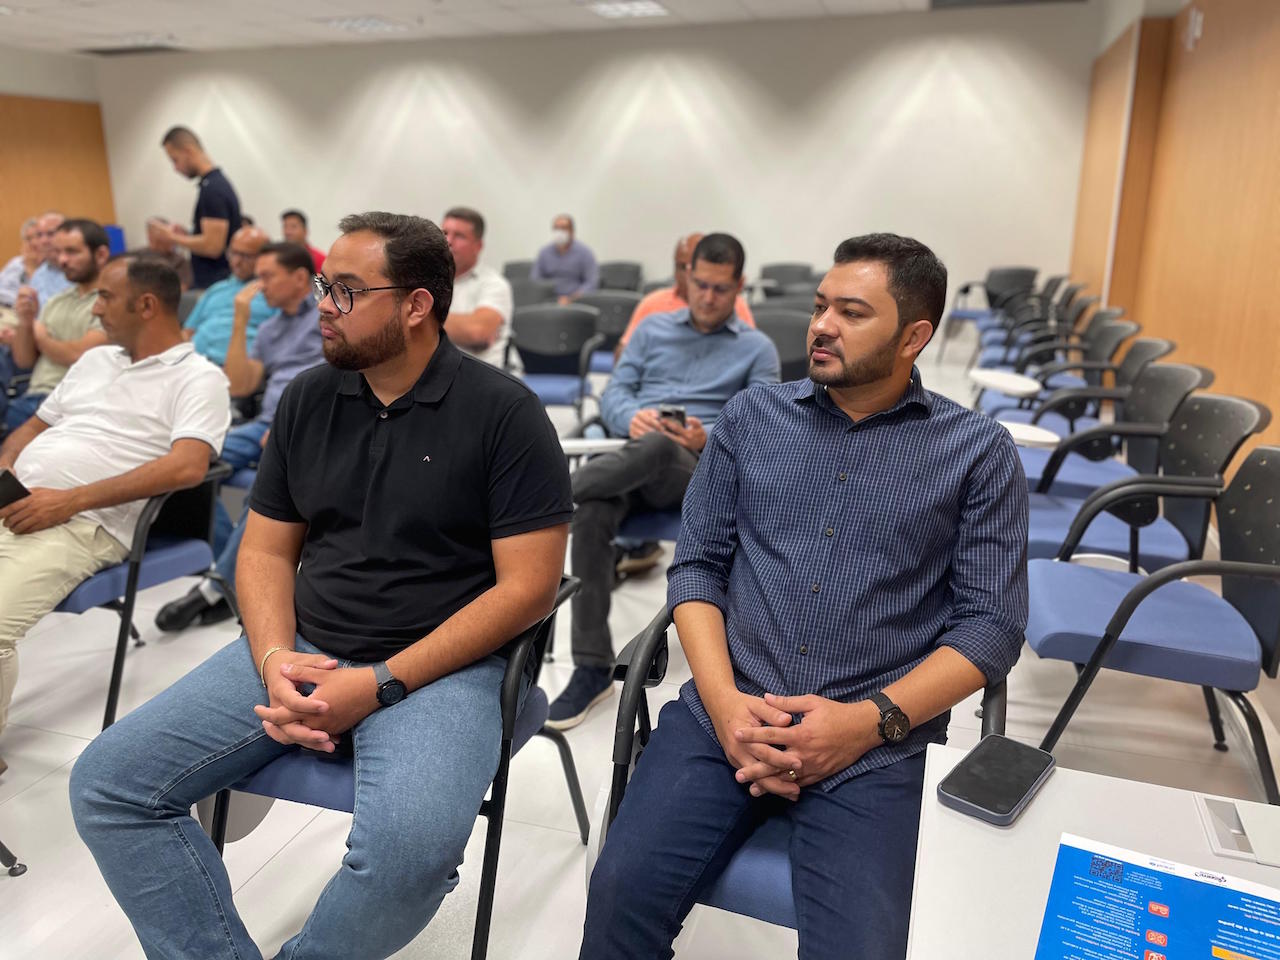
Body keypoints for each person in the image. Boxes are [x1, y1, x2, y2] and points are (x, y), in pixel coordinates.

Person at [72, 211, 573, 960]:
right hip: (302, 645)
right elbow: (267, 554)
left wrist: (378, 685)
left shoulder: (504, 413)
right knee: (109, 786)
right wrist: (274, 659)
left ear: (415, 305)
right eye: (321, 287)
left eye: (344, 291)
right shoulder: (309, 397)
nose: (322, 307)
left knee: (409, 855)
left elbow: (528, 590)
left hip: (440, 668)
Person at [579, 234, 1030, 960]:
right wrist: (725, 706)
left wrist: (863, 724)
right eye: (821, 306)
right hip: (729, 713)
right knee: (616, 902)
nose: (820, 325)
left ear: (915, 336)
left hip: (876, 742)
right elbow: (697, 570)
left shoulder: (975, 452)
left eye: (852, 312)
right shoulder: (752, 420)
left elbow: (990, 627)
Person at [0, 255, 230, 773]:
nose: (94, 309)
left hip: (85, 522)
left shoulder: (198, 378)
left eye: (103, 297)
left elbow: (188, 467)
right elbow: (32, 427)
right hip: (17, 502)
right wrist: (6, 467)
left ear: (145, 305)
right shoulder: (95, 360)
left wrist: (68, 500)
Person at [548, 233, 780, 730]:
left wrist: (707, 434)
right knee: (591, 514)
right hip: (633, 459)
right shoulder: (653, 330)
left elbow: (763, 424)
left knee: (655, 450)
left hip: (699, 472)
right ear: (686, 277)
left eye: (721, 288)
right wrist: (633, 417)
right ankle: (591, 667)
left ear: (739, 286)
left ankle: (549, 495)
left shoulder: (756, 348)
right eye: (700, 284)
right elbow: (613, 395)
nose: (709, 297)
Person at [155, 241, 323, 630]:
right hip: (263, 424)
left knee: (269, 485)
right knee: (191, 459)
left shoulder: (327, 316)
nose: (259, 285)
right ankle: (225, 571)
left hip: (305, 424)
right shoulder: (269, 327)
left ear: (300, 277)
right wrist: (240, 319)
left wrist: (290, 427)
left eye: (267, 276)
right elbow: (240, 384)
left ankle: (215, 590)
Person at [3, 219, 113, 433]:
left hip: (72, 405)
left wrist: (42, 337)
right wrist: (26, 323)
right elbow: (24, 360)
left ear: (100, 254)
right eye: (59, 252)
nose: (62, 260)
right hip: (31, 399)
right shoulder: (56, 302)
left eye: (72, 252)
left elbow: (79, 354)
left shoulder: (110, 300)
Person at [615, 232, 756, 358]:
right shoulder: (652, 303)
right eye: (679, 267)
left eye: (688, 267)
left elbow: (748, 353)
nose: (683, 275)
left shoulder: (735, 305)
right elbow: (624, 353)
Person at [156, 126, 242, 289]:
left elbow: (213, 246)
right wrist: (188, 234)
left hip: (216, 282)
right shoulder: (212, 184)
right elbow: (214, 237)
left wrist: (172, 238)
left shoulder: (213, 190)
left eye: (175, 160)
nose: (175, 168)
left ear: (188, 151)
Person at [181, 225, 273, 365]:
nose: (236, 262)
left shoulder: (273, 293)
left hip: (237, 369)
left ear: (265, 258)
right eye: (233, 253)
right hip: (194, 364)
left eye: (245, 256)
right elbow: (188, 331)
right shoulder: (216, 289)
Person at [441, 206, 513, 368]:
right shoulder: (426, 279)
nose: (449, 241)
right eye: (444, 233)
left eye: (459, 236)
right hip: (435, 375)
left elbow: (478, 331)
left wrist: (421, 318)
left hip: (481, 378)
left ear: (478, 246)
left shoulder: (494, 284)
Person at [532, 214, 598, 304]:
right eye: (556, 228)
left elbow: (591, 282)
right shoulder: (544, 253)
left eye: (563, 228)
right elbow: (535, 279)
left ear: (572, 231)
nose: (559, 232)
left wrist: (573, 298)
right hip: (550, 301)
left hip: (577, 301)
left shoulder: (585, 253)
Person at [27, 211, 72, 307]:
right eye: (39, 235)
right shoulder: (38, 274)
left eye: (51, 234)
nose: (43, 241)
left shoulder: (81, 271)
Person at [0, 218, 41, 308]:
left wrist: (31, 268)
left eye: (38, 237)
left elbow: (38, 304)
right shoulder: (15, 262)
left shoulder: (54, 267)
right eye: (28, 239)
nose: (34, 242)